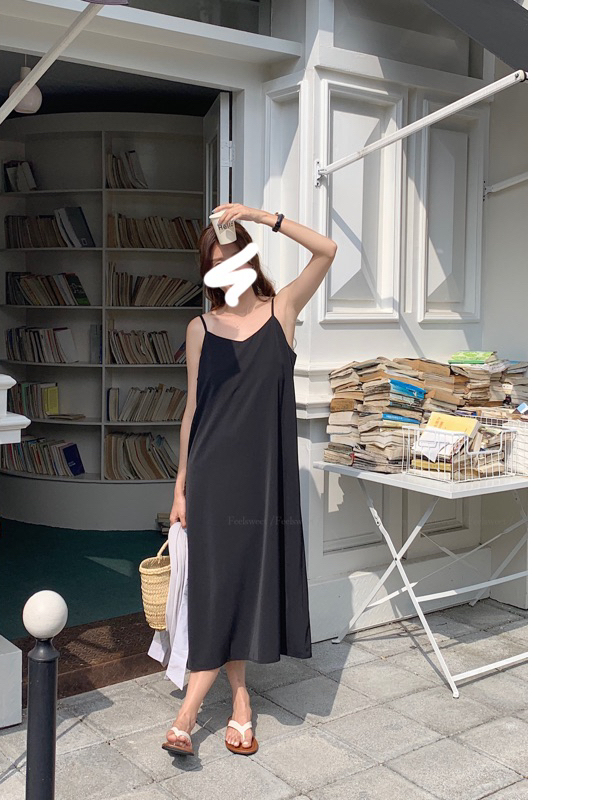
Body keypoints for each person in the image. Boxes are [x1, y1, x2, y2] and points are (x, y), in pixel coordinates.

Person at [162, 203, 337, 757]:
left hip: (263, 479)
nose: (227, 269)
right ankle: (200, 710)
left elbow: (327, 250)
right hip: (211, 476)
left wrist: (262, 217)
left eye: (234, 257)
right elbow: (193, 410)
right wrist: (180, 486)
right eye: (216, 262)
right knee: (218, 588)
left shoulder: (283, 309)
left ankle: (230, 702)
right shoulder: (199, 328)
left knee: (238, 586)